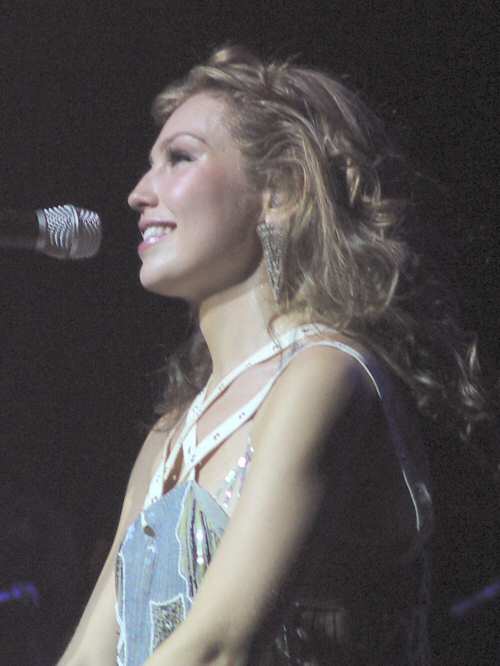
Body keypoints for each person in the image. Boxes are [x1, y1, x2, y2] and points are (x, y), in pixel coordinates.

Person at [58, 45, 490, 665]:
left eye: (179, 158)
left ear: (281, 190)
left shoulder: (325, 375)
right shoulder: (168, 440)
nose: (137, 193)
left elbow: (219, 648)